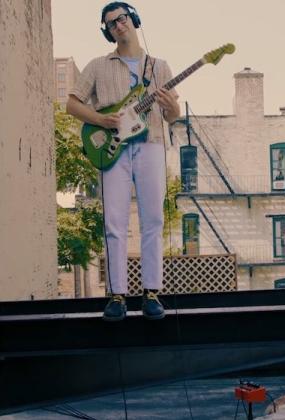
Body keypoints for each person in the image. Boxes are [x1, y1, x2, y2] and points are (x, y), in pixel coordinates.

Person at [66, 2, 180, 321]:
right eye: (111, 23)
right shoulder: (97, 66)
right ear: (108, 31)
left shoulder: (159, 67)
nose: (119, 24)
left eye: (122, 18)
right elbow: (72, 105)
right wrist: (101, 121)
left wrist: (172, 106)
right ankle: (117, 295)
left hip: (151, 145)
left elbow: (172, 116)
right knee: (114, 222)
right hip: (113, 149)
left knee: (153, 219)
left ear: (134, 19)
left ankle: (151, 292)